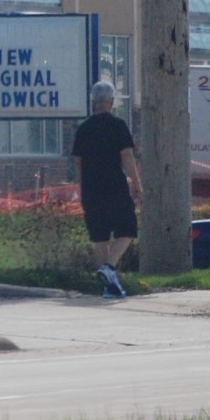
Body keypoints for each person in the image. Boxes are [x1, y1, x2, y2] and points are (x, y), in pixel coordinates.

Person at [72, 80, 142, 299]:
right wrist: (136, 183)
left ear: (94, 103)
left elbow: (78, 163)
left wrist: (81, 188)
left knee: (100, 236)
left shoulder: (83, 129)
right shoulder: (118, 125)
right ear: (111, 102)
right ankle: (109, 268)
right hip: (114, 186)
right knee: (128, 229)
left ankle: (109, 286)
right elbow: (127, 155)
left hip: (91, 189)